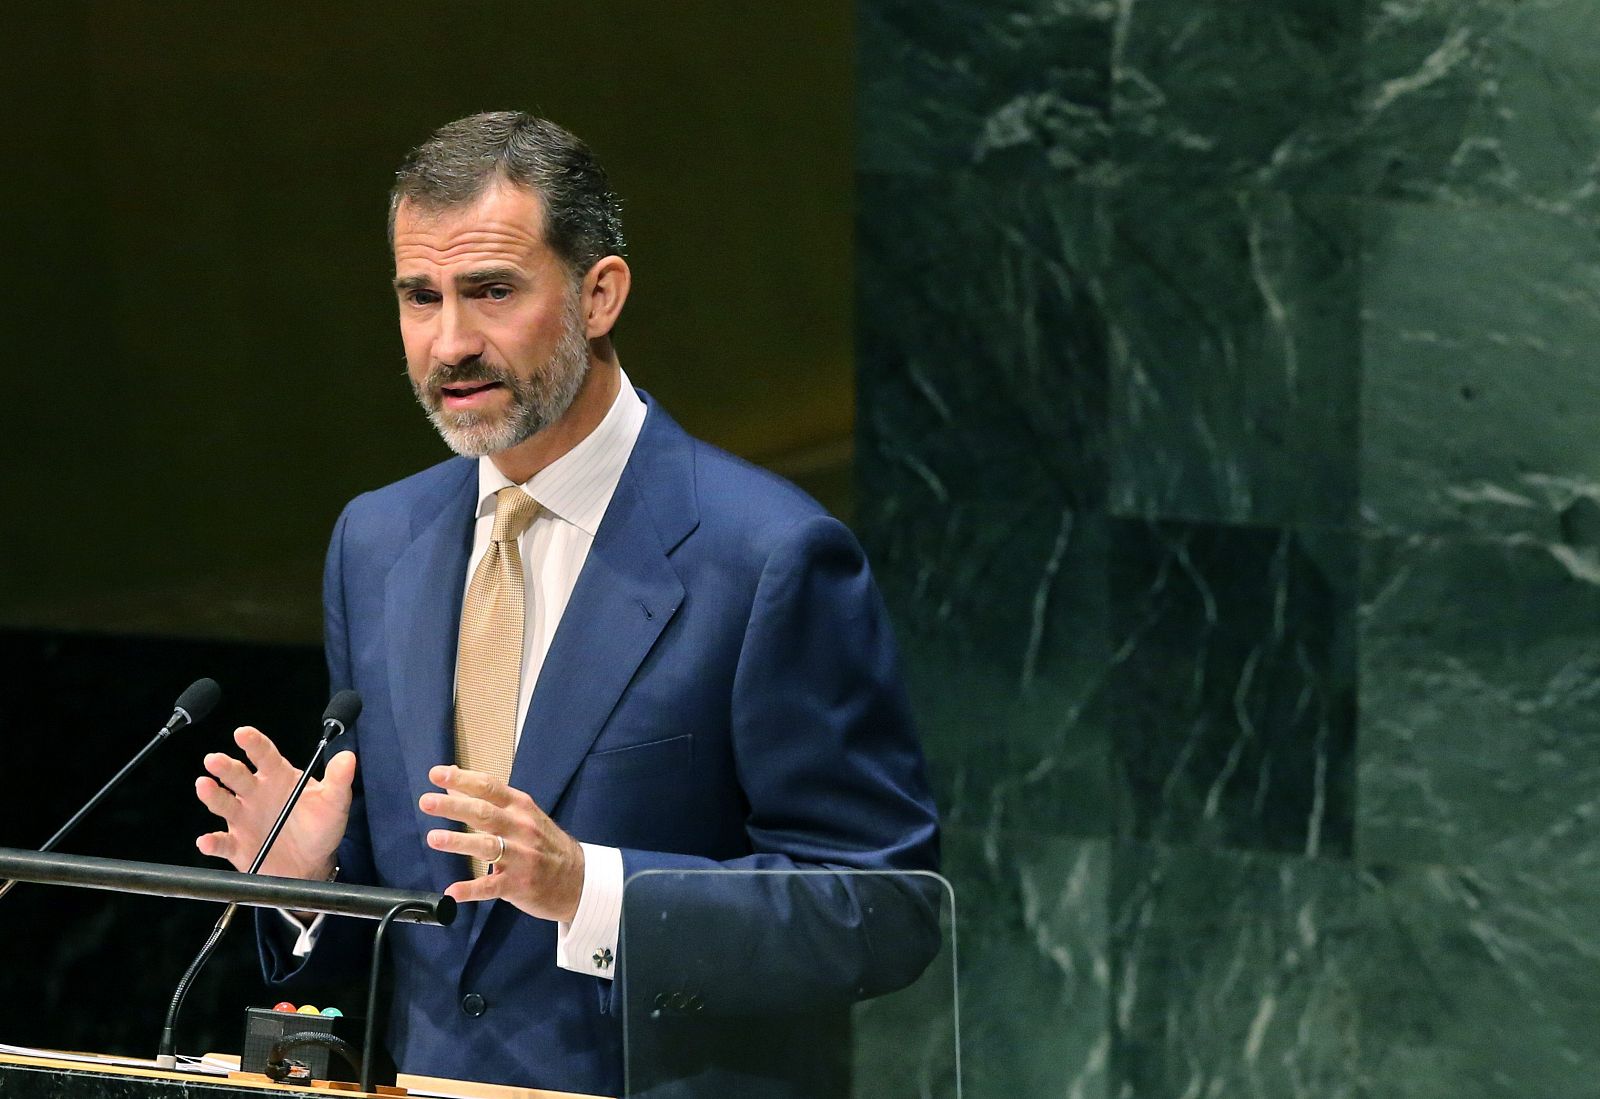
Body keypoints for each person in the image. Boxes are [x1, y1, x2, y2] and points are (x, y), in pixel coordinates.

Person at [192, 111, 940, 1098]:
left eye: (492, 291)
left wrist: (591, 888)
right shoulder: (376, 542)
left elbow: (882, 907)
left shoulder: (767, 555)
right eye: (421, 297)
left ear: (600, 294)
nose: (450, 341)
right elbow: (411, 926)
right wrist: (311, 886)